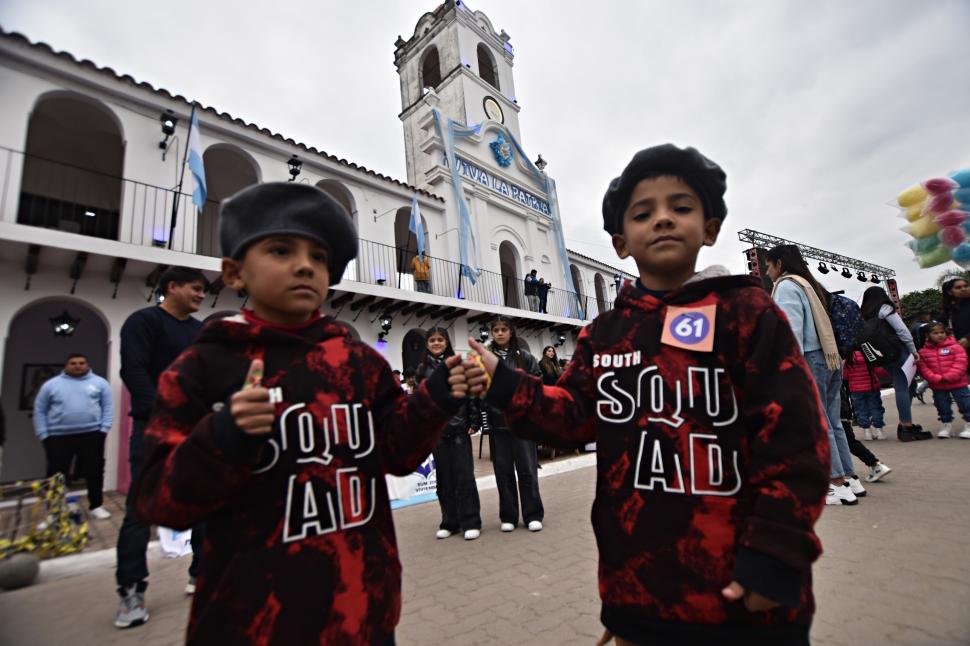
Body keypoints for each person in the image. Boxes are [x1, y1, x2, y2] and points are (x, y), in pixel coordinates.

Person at [465, 144, 828, 645]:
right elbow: (569, 418)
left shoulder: (749, 314)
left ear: (710, 228)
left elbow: (796, 440)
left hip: (747, 599)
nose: (662, 219)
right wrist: (501, 381)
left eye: (680, 207)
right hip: (639, 594)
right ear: (620, 242)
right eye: (643, 212)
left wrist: (775, 553)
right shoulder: (605, 334)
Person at [133, 183, 469, 645]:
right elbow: (157, 499)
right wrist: (223, 434)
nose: (305, 265)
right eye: (280, 249)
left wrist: (438, 397)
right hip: (255, 623)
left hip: (363, 612)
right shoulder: (205, 366)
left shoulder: (359, 363)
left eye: (320, 256)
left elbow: (396, 454)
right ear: (234, 273)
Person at [115, 266, 209, 628]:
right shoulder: (143, 322)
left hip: (194, 428)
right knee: (141, 509)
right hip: (153, 427)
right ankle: (131, 591)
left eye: (203, 291)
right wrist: (161, 413)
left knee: (203, 502)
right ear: (173, 287)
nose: (201, 296)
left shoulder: (199, 331)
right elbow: (133, 371)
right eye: (196, 289)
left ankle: (201, 573)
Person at [766, 245, 862, 505]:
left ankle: (835, 484)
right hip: (829, 358)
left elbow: (791, 329)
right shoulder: (811, 284)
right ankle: (850, 478)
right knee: (832, 421)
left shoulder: (787, 286)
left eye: (768, 264)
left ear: (779, 263)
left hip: (809, 358)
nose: (767, 270)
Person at [415, 327, 482, 540]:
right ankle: (450, 521)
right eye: (432, 340)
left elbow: (471, 394)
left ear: (447, 343)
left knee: (464, 476)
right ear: (427, 344)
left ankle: (471, 521)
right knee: (444, 479)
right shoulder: (421, 369)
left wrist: (474, 419)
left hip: (459, 427)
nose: (436, 343)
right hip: (437, 431)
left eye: (440, 340)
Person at [32, 353, 113, 520]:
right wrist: (43, 434)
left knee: (94, 472)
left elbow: (108, 407)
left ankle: (96, 505)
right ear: (66, 366)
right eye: (73, 363)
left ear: (87, 365)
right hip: (58, 437)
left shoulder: (100, 383)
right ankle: (54, 512)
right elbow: (40, 410)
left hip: (91, 434)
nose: (78, 366)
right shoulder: (51, 385)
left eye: (82, 363)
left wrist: (104, 429)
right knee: (56, 475)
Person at [484, 316, 544, 533]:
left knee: (527, 470)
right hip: (498, 426)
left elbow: (537, 382)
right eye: (496, 330)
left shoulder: (524, 357)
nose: (499, 333)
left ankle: (533, 514)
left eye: (503, 329)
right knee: (503, 472)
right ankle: (508, 515)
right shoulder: (486, 359)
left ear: (511, 332)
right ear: (492, 333)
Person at [860, 286, 930, 441]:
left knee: (909, 385)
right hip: (898, 352)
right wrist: (912, 349)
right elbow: (902, 330)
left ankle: (905, 421)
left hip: (883, 356)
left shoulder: (864, 314)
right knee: (903, 386)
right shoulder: (885, 308)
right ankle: (906, 426)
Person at [917, 321, 970, 439]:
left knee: (965, 404)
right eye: (935, 333)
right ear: (927, 335)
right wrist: (934, 378)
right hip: (938, 385)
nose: (940, 335)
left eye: (942, 332)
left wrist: (950, 376)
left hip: (958, 384)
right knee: (942, 405)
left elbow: (961, 362)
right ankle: (946, 425)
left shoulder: (956, 347)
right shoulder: (923, 352)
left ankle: (969, 423)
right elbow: (923, 368)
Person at [839, 386, 892, 484]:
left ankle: (843, 476)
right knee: (850, 442)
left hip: (833, 412)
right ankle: (875, 464)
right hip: (842, 410)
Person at [843, 351, 888, 441]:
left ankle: (867, 432)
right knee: (876, 408)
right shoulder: (868, 355)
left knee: (861, 410)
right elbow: (879, 370)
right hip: (872, 387)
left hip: (856, 389)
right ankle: (879, 431)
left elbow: (845, 376)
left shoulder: (847, 360)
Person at [942, 277, 970, 349]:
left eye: (966, 286)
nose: (963, 289)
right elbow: (937, 324)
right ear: (950, 292)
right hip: (960, 351)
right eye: (958, 287)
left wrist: (968, 338)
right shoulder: (950, 309)